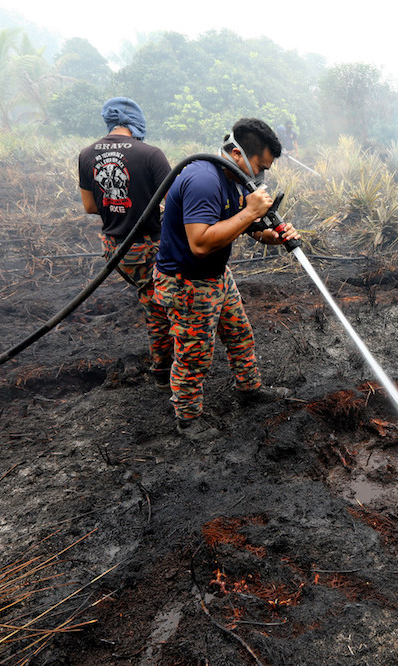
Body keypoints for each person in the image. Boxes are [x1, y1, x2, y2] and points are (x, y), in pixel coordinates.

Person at [153, 117, 301, 440]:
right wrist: (249, 212)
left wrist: (271, 235)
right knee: (194, 352)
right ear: (236, 154)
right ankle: (189, 418)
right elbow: (201, 241)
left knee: (239, 332)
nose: (261, 176)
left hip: (216, 274)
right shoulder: (204, 180)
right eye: (260, 166)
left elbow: (243, 225)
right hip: (187, 280)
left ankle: (249, 389)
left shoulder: (235, 180)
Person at [78, 97, 173, 388]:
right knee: (159, 304)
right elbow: (173, 203)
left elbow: (90, 207)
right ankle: (163, 369)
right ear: (136, 121)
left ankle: (166, 363)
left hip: (115, 248)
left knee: (152, 297)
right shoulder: (151, 154)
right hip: (148, 246)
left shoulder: (86, 154)